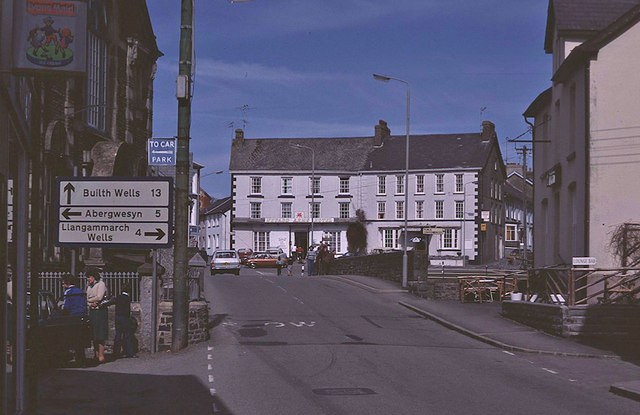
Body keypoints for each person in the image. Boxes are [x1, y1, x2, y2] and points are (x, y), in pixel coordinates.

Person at [85, 267, 108, 363]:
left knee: (100, 333)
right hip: (92, 311)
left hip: (100, 311)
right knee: (94, 333)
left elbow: (99, 297)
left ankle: (101, 355)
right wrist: (91, 302)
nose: (88, 279)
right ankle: (96, 354)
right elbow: (86, 298)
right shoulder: (89, 286)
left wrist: (91, 300)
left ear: (94, 276)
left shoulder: (101, 284)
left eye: (89, 277)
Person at [108, 282, 136, 358]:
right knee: (127, 335)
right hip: (125, 317)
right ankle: (130, 352)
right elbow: (127, 310)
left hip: (118, 317)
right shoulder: (127, 298)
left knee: (118, 335)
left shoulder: (118, 297)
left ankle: (116, 352)